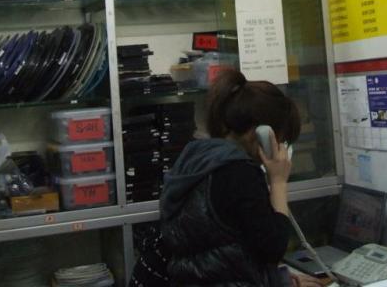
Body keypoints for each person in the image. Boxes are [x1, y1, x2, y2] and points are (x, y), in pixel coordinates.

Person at [129, 70, 325, 287]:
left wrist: (279, 279)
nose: (281, 149)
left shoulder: (197, 158)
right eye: (281, 140)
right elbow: (272, 248)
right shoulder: (240, 173)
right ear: (261, 133)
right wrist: (278, 181)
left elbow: (227, 252)